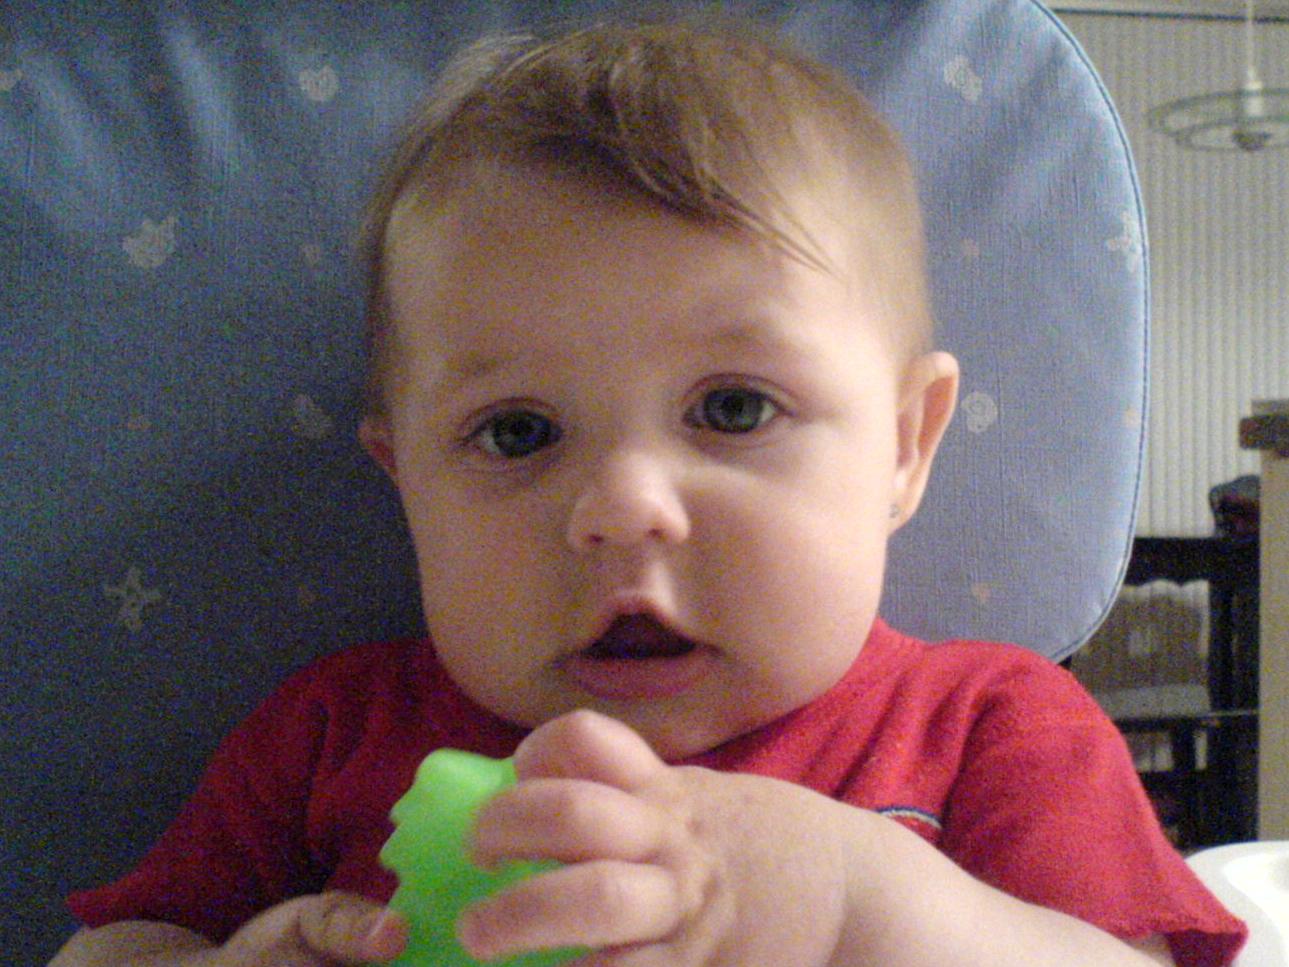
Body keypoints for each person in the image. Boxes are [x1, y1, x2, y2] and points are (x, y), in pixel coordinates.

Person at [51, 15, 1247, 967]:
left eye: (733, 409)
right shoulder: (330, 735)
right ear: (403, 481)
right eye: (516, 431)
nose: (621, 508)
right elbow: (111, 948)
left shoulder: (991, 729)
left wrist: (855, 906)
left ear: (901, 445)